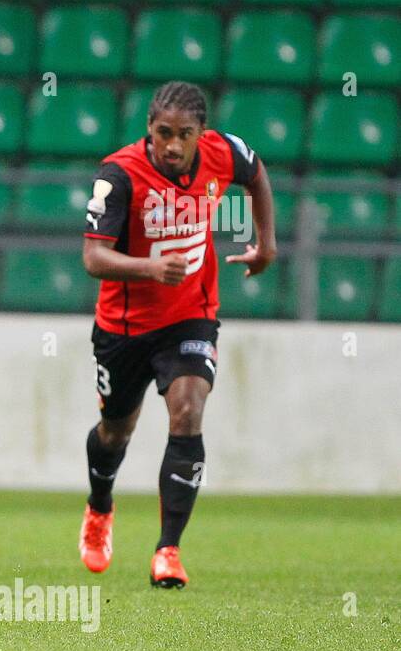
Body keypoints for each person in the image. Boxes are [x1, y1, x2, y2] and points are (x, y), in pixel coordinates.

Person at [80, 80, 276, 588]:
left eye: (183, 134)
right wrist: (149, 267)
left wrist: (266, 244)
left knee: (188, 411)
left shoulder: (221, 152)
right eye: (163, 132)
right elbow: (93, 258)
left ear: (200, 133)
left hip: (191, 315)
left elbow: (256, 176)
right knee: (114, 432)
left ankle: (168, 550)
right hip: (123, 328)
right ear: (148, 129)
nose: (172, 145)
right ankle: (100, 507)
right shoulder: (118, 175)